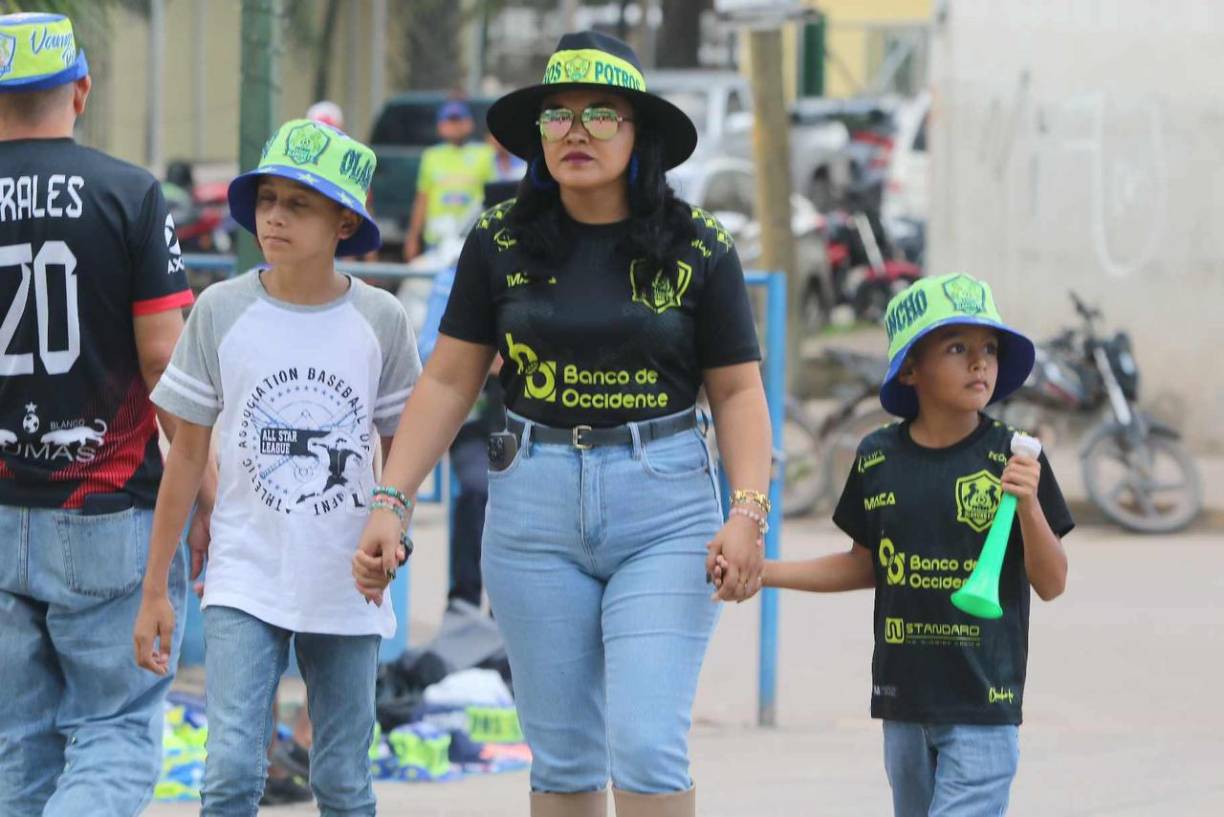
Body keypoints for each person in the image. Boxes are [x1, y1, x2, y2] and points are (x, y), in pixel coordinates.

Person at [353, 31, 771, 817]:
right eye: (559, 116)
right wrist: (390, 500)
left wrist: (748, 511)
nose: (576, 132)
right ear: (537, 137)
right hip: (533, 511)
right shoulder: (499, 239)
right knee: (566, 754)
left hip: (666, 509)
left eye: (601, 115)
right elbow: (448, 378)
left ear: (639, 133)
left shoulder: (698, 246)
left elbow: (742, 394)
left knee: (646, 743)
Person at [133, 118, 420, 816]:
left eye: (298, 204)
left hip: (346, 580)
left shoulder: (381, 319)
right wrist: (156, 587)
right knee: (230, 772)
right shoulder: (220, 311)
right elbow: (187, 452)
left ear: (344, 220)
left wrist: (396, 525)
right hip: (244, 573)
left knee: (345, 783)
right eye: (267, 200)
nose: (275, 217)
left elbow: (405, 448)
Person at [724, 273, 1074, 817]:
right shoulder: (876, 458)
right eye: (957, 348)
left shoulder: (1015, 458)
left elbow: (1051, 583)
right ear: (910, 367)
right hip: (903, 703)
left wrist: (1028, 504)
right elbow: (863, 566)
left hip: (985, 704)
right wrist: (762, 571)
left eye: (989, 349)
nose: (979, 363)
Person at [0, 13, 209, 816]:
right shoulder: (127, 192)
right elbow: (167, 362)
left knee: (18, 743)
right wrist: (205, 487)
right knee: (115, 728)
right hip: (105, 510)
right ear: (81, 90)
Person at [403, 98, 496, 260]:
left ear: (469, 123)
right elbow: (422, 199)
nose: (455, 125)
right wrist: (413, 237)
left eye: (459, 120)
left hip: (472, 238)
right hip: (437, 240)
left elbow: (494, 198)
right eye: (449, 120)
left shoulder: (485, 154)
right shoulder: (431, 156)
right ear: (440, 126)